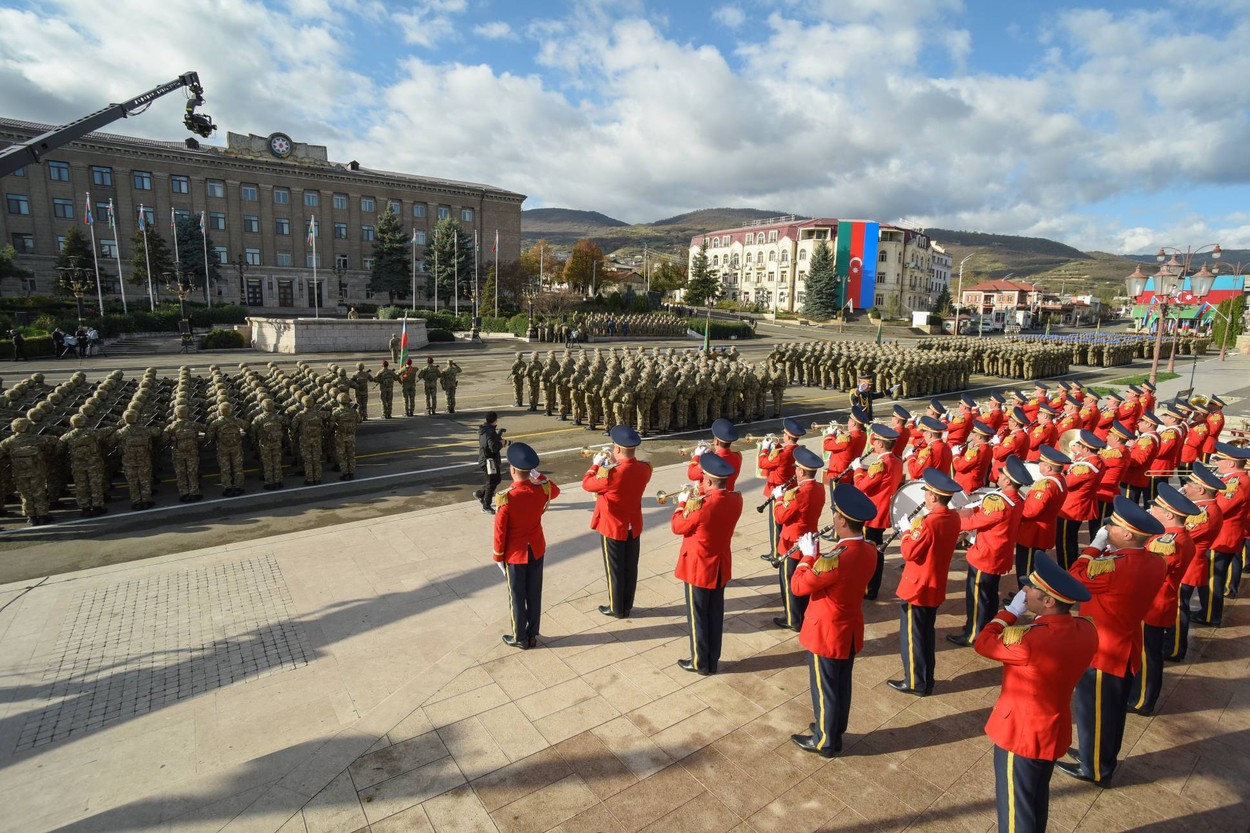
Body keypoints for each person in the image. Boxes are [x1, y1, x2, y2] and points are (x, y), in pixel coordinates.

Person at [974, 553, 1098, 833]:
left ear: (1049, 601)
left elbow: (984, 643)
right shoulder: (1087, 630)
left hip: (1020, 734)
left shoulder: (1030, 640)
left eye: (1030, 589)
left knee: (1016, 809)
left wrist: (1009, 613)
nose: (1024, 591)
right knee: (1036, 799)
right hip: (1053, 729)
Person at [1057, 496, 1168, 787]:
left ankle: (1094, 768)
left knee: (1094, 712)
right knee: (1113, 712)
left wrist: (1094, 547)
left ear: (1128, 534)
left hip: (1102, 650)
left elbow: (1073, 577)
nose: (1108, 527)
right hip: (1125, 644)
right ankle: (1100, 756)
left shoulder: (1114, 567)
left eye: (1113, 525)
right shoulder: (1155, 561)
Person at [788, 484, 879, 757]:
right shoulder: (870, 550)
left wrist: (807, 556)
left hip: (825, 631)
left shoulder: (835, 559)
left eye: (836, 517)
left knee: (824, 687)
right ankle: (834, 727)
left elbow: (799, 586)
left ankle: (825, 741)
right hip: (848, 628)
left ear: (841, 521)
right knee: (841, 684)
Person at [891, 468, 963, 696]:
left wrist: (905, 532)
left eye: (926, 494)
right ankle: (925, 678)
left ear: (933, 497)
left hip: (917, 586)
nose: (924, 497)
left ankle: (914, 681)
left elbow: (909, 552)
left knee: (913, 637)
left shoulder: (927, 523)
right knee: (926, 634)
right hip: (934, 583)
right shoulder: (952, 517)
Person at [1129, 483, 1198, 716]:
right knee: (1149, 652)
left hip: (1153, 604)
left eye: (1156, 507)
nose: (1152, 510)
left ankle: (1143, 701)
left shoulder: (1169, 543)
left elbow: (1147, 570)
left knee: (1149, 655)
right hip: (1158, 601)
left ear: (1168, 514)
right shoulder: (1175, 537)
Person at [671, 452, 743, 675]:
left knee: (698, 617)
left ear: (709, 480)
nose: (700, 481)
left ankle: (700, 662)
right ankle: (712, 659)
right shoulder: (736, 499)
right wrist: (700, 493)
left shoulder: (700, 507)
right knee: (714, 614)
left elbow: (677, 526)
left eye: (703, 478)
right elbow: (715, 500)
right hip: (720, 566)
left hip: (699, 568)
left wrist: (682, 503)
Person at [949, 456, 1032, 648]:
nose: (999, 476)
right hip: (999, 554)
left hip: (985, 555)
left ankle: (973, 634)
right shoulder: (1016, 499)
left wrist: (949, 519)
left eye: (1002, 474)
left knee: (977, 596)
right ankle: (985, 626)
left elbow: (973, 522)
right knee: (990, 594)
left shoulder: (998, 502)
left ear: (1007, 480)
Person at [492, 443, 560, 649]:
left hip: (515, 554)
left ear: (512, 470)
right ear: (528, 471)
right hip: (536, 549)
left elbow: (500, 531)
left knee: (517, 596)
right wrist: (538, 475)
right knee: (534, 593)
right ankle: (532, 634)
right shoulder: (540, 490)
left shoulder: (507, 498)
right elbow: (555, 490)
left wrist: (498, 556)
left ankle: (519, 637)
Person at [583, 425, 653, 618]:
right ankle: (627, 604)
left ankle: (616, 607)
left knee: (614, 569)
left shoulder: (610, 474)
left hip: (612, 526)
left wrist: (596, 465)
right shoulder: (645, 469)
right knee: (630, 567)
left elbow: (587, 484)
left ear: (619, 449)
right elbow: (627, 474)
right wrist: (614, 463)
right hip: (633, 524)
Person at [771, 446, 827, 632]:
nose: (795, 470)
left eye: (797, 468)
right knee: (805, 581)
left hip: (791, 542)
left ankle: (793, 619)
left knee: (789, 582)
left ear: (802, 471)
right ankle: (802, 614)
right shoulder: (819, 488)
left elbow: (780, 517)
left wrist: (779, 498)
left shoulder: (798, 493)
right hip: (810, 540)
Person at [852, 423, 903, 600]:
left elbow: (861, 486)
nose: (873, 444)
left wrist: (857, 469)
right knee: (877, 550)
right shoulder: (896, 460)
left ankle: (869, 589)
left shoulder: (881, 464)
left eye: (875, 441)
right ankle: (872, 587)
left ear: (881, 444)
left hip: (872, 513)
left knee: (871, 553)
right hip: (882, 512)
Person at [1015, 444, 1070, 588]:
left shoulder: (1046, 485)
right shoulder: (1060, 480)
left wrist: (1014, 511)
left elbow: (1030, 511)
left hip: (1032, 532)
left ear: (1048, 468)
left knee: (1026, 568)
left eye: (1041, 463)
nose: (1039, 464)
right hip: (1043, 529)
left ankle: (1024, 596)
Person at [758, 418, 803, 559]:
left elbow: (762, 463)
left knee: (775, 524)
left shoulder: (782, 454)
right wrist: (777, 446)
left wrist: (765, 448)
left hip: (777, 491)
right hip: (790, 489)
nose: (783, 435)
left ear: (788, 436)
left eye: (784, 434)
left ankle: (775, 552)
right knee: (784, 522)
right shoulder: (798, 450)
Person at [687, 418, 742, 492]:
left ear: (716, 441)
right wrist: (709, 454)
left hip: (709, 497)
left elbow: (692, 475)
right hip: (728, 494)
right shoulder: (738, 456)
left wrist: (696, 456)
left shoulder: (710, 462)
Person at [476, 413, 508, 514]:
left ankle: (480, 494)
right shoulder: (489, 432)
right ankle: (486, 506)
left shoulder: (485, 429)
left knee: (496, 479)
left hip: (487, 460)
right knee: (492, 482)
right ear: (495, 420)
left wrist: (497, 438)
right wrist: (501, 444)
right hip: (488, 462)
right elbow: (493, 448)